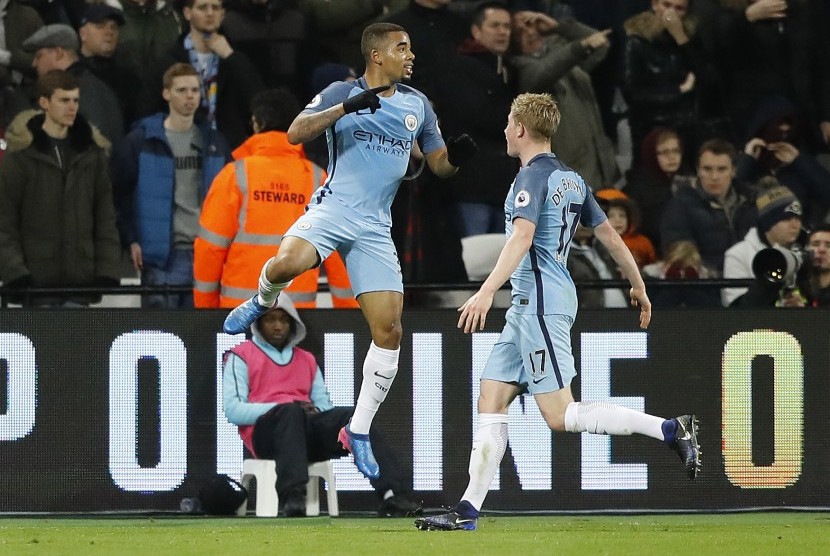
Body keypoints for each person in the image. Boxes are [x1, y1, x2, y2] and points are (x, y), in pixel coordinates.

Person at [414, 92, 700, 532]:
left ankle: (669, 429)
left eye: (510, 123)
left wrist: (486, 291)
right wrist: (638, 284)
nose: (506, 131)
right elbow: (608, 236)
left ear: (522, 129)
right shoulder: (571, 178)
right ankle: (467, 511)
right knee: (491, 398)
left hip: (541, 304)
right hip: (533, 304)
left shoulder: (532, 178)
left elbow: (522, 238)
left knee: (560, 416)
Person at [222, 22, 478, 480]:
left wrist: (455, 156)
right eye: (403, 47)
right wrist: (346, 107)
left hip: (376, 227)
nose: (410, 55)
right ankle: (261, 299)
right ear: (377, 55)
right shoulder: (343, 89)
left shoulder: (417, 105)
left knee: (391, 330)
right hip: (333, 208)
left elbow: (436, 164)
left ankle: (356, 430)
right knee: (286, 264)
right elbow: (296, 134)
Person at [222, 293, 421, 517]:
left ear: (292, 323)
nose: (278, 326)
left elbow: (323, 407)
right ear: (258, 323)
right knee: (291, 413)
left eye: (283, 320)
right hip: (267, 435)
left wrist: (310, 412)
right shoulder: (240, 356)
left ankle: (393, 494)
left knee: (353, 419)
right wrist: (286, 406)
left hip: (305, 431)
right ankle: (292, 496)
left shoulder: (306, 359)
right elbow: (233, 410)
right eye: (270, 319)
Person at [193, 88, 358, 309]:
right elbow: (340, 254)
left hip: (238, 312)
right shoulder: (318, 179)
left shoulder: (234, 176)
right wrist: (349, 319)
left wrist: (205, 312)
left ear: (256, 123)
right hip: (297, 319)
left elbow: (209, 249)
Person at [112, 62, 231, 308]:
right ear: (166, 94)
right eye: (182, 90)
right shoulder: (141, 141)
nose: (190, 96)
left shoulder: (214, 142)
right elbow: (120, 194)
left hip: (206, 251)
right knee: (163, 334)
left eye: (195, 90)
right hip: (162, 255)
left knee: (199, 335)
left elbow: (231, 198)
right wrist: (131, 238)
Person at [0, 69, 121, 306]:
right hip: (35, 286)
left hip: (79, 284)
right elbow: (5, 222)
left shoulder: (91, 153)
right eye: (64, 100)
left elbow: (105, 217)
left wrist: (106, 271)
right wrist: (16, 274)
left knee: (79, 343)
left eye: (75, 100)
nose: (72, 107)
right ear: (44, 102)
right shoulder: (20, 155)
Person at [510, 9, 620, 189]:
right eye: (519, 32)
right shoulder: (521, 69)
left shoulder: (560, 56)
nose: (530, 33)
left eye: (531, 26)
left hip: (599, 163)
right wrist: (581, 47)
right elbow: (545, 72)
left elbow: (599, 43)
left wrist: (559, 27)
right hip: (568, 172)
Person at [141, 0, 264, 149]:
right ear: (187, 13)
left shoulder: (235, 59)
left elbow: (257, 101)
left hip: (228, 150)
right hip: (182, 149)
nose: (210, 13)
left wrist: (231, 56)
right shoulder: (168, 61)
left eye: (215, 8)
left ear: (223, 14)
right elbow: (147, 110)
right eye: (202, 7)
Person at [660, 138, 757, 275]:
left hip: (749, 279)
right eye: (707, 169)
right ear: (698, 170)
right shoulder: (680, 206)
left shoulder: (751, 202)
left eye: (722, 169)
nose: (714, 176)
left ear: (733, 171)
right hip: (706, 285)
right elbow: (680, 255)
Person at [20, 23, 125, 145]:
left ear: (58, 53)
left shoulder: (80, 92)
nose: (34, 64)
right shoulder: (92, 86)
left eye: (39, 56)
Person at [722, 183, 803, 307]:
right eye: (787, 219)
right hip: (753, 325)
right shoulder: (738, 254)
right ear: (768, 222)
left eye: (797, 219)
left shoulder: (800, 253)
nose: (795, 225)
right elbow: (737, 309)